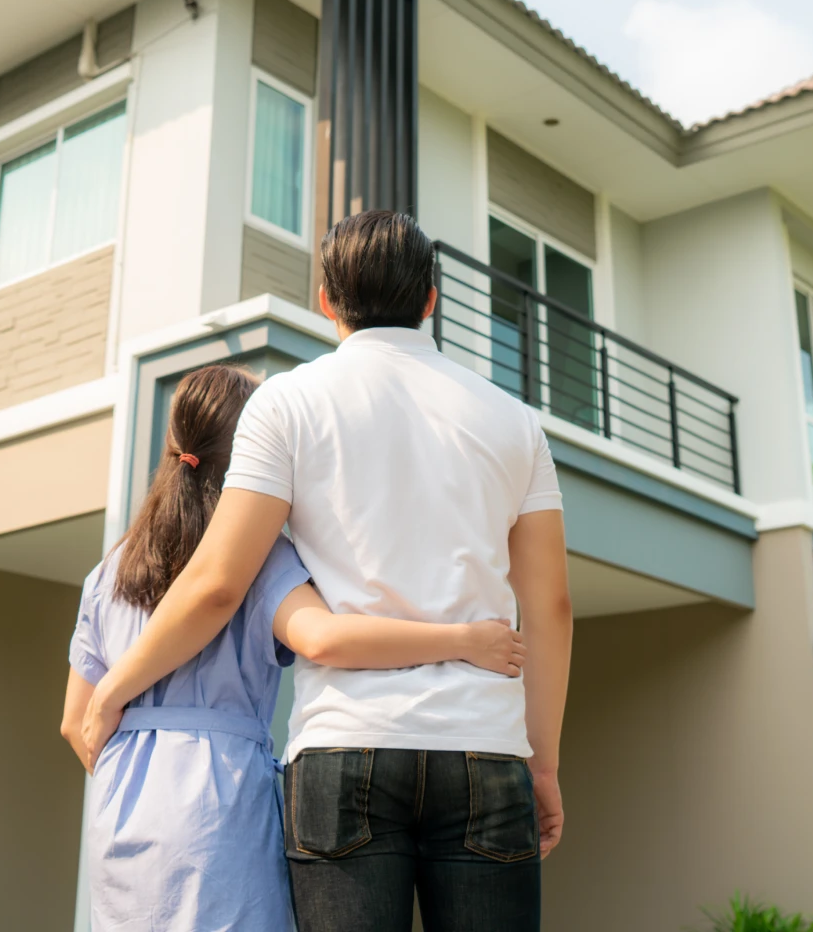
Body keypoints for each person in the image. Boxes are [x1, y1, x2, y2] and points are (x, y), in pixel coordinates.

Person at [82, 211, 574, 932]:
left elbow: (219, 582)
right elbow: (552, 606)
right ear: (431, 299)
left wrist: (115, 689)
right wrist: (542, 765)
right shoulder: (515, 421)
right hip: (484, 745)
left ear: (325, 298)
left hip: (345, 749)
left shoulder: (287, 403)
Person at [61, 362, 526, 932]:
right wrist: (463, 640)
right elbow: (324, 638)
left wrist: (136, 765)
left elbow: (73, 722)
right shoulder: (257, 557)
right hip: (219, 802)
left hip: (123, 800)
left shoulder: (108, 571)